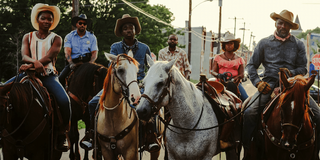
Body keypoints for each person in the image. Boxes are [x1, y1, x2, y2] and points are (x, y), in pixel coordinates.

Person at [243, 9, 320, 159]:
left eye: (286, 24)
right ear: (276, 23)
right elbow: (251, 65)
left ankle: (315, 152)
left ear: (290, 27)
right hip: (269, 83)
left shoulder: (298, 44)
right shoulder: (264, 43)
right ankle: (248, 150)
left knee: (318, 115)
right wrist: (258, 82)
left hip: (294, 85)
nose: (283, 26)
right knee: (249, 113)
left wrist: (289, 75)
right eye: (280, 23)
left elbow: (303, 68)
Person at [81, 14, 161, 152]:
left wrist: (146, 83)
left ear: (135, 30)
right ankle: (91, 135)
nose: (129, 30)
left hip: (138, 84)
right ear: (121, 32)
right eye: (125, 28)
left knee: (148, 106)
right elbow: (111, 68)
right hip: (118, 85)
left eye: (131, 27)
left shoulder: (144, 48)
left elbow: (151, 68)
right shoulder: (115, 48)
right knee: (93, 103)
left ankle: (151, 136)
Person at [4, 3, 71, 152]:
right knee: (2, 91)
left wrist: (32, 64)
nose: (47, 21)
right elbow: (24, 55)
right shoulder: (27, 36)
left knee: (64, 101)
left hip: (48, 76)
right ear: (37, 19)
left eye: (50, 19)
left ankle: (62, 134)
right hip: (27, 74)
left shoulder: (57, 38)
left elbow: (49, 57)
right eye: (43, 18)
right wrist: (33, 64)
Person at [58, 14, 98, 87]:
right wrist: (71, 63)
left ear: (86, 25)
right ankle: (59, 97)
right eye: (80, 23)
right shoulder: (69, 36)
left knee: (100, 78)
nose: (82, 25)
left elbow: (94, 53)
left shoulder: (92, 37)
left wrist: (90, 63)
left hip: (87, 62)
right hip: (73, 63)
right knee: (60, 79)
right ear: (76, 24)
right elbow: (67, 52)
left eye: (84, 24)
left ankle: (100, 97)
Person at [211, 32, 248, 101]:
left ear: (235, 45)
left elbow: (242, 74)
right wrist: (219, 75)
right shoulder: (217, 57)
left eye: (231, 43)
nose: (229, 45)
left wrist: (235, 79)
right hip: (219, 82)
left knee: (246, 100)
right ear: (224, 45)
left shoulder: (240, 59)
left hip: (235, 83)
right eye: (227, 43)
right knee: (209, 99)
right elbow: (213, 71)